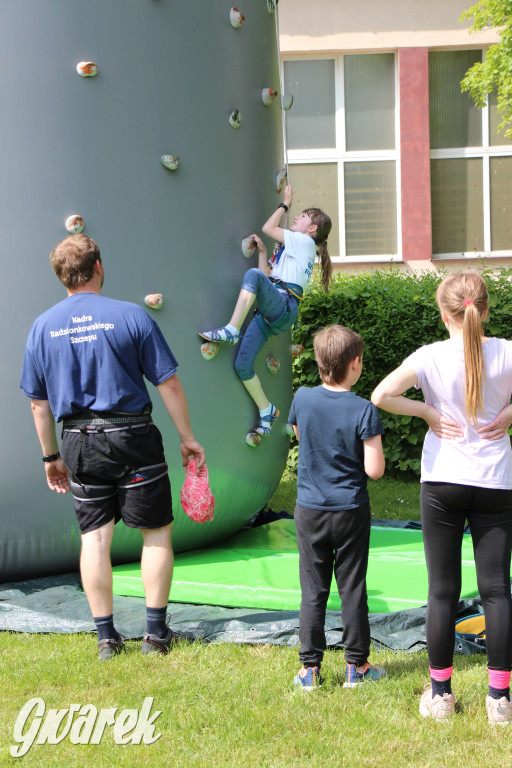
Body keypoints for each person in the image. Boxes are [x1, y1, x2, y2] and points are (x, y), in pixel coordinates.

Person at [20, 234, 205, 661]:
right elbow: (169, 384)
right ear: (99, 266)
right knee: (155, 534)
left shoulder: (42, 327)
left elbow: (38, 404)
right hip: (133, 436)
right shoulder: (131, 315)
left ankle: (106, 639)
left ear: (60, 276)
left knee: (94, 539)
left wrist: (51, 457)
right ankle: (155, 635)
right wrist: (187, 438)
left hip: (78, 442)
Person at [371, 270, 512, 724]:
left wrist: (427, 412)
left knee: (442, 591)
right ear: (485, 310)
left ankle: (441, 696)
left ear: (443, 313)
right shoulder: (507, 352)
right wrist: (509, 413)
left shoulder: (429, 356)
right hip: (495, 481)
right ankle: (500, 701)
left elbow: (381, 395)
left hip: (443, 482)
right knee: (497, 591)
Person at [288, 325, 387, 690]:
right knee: (352, 587)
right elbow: (375, 470)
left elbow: (300, 435)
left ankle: (309, 671)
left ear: (319, 361)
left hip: (310, 509)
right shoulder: (364, 409)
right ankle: (356, 668)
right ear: (355, 363)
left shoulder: (302, 398)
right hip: (350, 511)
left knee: (313, 590)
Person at [199, 185, 332, 437]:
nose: (296, 216)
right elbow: (265, 279)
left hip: (283, 305)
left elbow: (268, 228)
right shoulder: (296, 248)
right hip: (276, 312)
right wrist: (262, 253)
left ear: (312, 228)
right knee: (242, 365)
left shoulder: (304, 242)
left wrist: (285, 202)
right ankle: (266, 409)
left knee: (252, 275)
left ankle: (231, 330)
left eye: (303, 216)